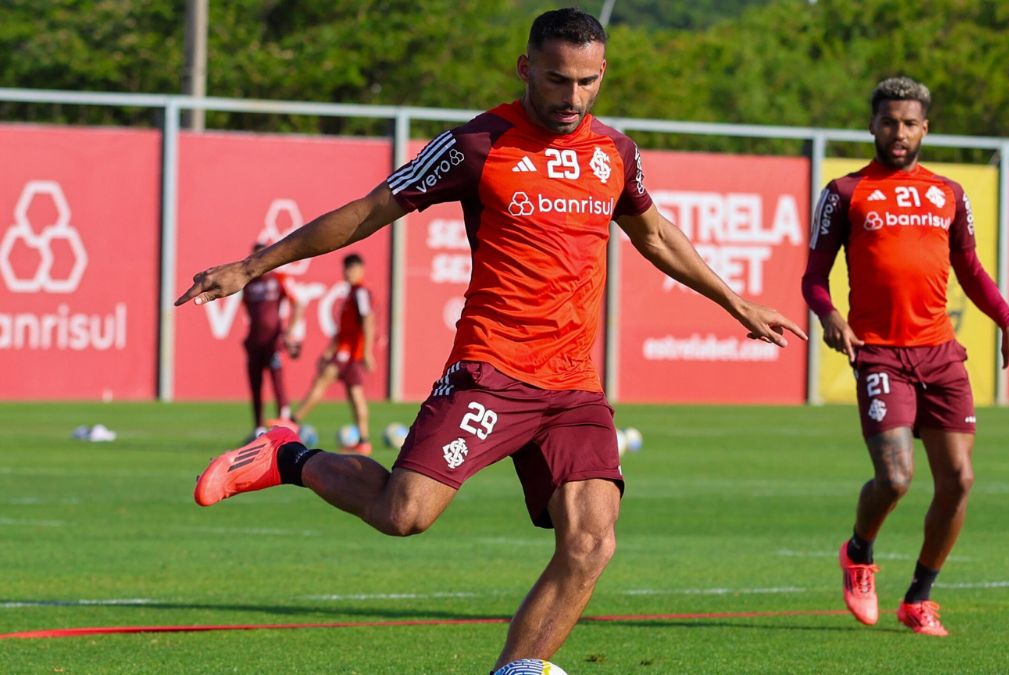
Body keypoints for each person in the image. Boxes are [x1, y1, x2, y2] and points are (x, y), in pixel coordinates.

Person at [176, 8, 804, 669]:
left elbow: (653, 233)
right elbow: (369, 209)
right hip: (492, 370)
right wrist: (252, 266)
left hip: (573, 387)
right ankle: (288, 456)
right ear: (526, 67)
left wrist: (734, 301)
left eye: (588, 82)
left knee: (591, 542)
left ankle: (517, 669)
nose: (573, 98)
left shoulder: (616, 153)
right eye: (559, 80)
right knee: (404, 513)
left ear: (603, 72)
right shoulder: (477, 143)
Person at [803, 76, 1009, 636]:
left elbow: (972, 271)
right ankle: (859, 554)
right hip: (881, 354)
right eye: (889, 122)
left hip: (940, 356)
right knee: (895, 478)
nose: (899, 132)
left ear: (925, 128)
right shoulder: (845, 192)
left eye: (910, 123)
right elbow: (814, 275)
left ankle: (919, 597)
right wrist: (830, 316)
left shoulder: (948, 194)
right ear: (872, 125)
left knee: (958, 480)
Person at [290, 253, 376, 455]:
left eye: (352, 268)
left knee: (323, 381)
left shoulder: (361, 292)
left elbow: (368, 322)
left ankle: (292, 423)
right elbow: (344, 329)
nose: (348, 272)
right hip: (344, 351)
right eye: (346, 268)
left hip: (350, 353)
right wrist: (329, 350)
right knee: (355, 395)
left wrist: (367, 353)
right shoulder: (352, 293)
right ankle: (363, 441)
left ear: (360, 270)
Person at [240, 242, 303, 437]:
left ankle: (285, 425)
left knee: (277, 380)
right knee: (255, 383)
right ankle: (258, 427)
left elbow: (298, 303)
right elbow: (249, 311)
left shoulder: (279, 279)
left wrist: (290, 332)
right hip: (254, 341)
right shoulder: (248, 284)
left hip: (273, 341)